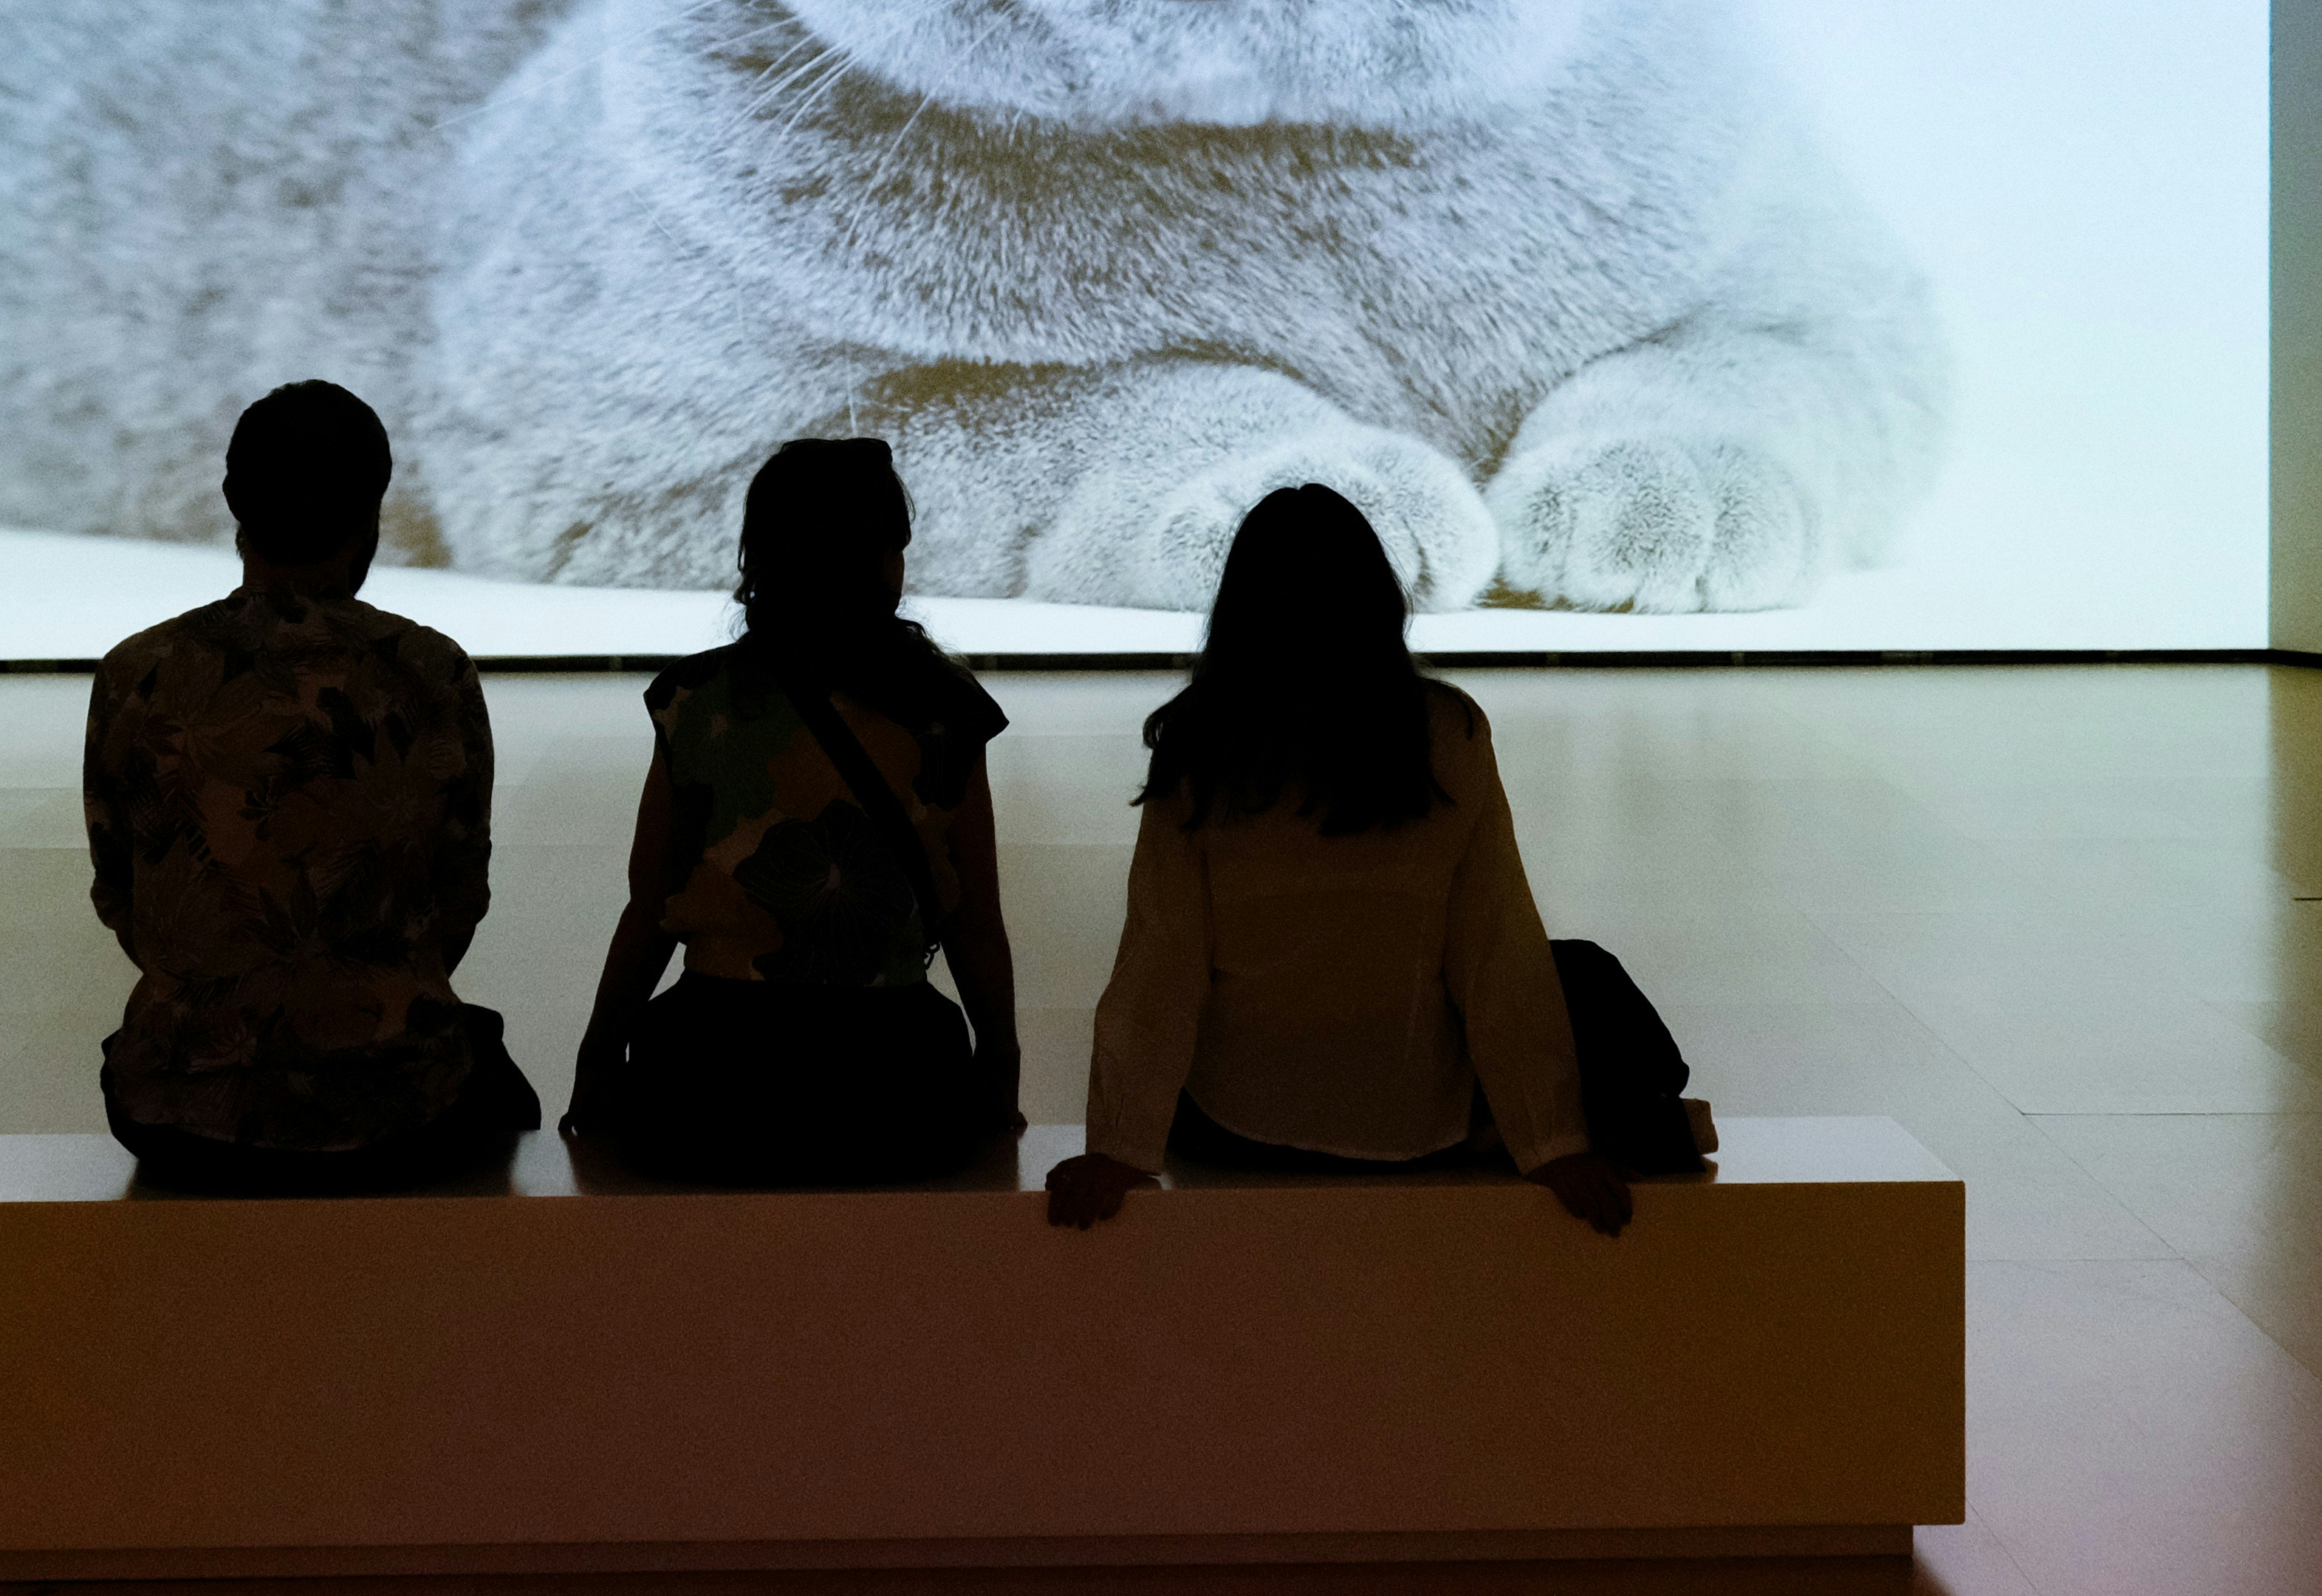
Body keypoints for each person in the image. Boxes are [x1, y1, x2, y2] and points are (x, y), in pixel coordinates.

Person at [1046, 483, 1688, 1236]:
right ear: (1377, 599)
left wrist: (1120, 1148)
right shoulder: (1448, 735)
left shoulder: (1200, 746)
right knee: (1578, 970)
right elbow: (1494, 952)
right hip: (1416, 1132)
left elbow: (1163, 959)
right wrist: (1553, 1145)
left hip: (1236, 1131)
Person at [85, 380, 543, 1191]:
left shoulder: (140, 674)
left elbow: (125, 900)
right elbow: (455, 902)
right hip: (394, 1108)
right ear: (374, 506)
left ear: (233, 500)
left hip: (186, 1108)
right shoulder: (431, 673)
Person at [564, 438, 1024, 1182]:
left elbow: (652, 905)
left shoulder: (693, 700)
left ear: (758, 561)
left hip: (708, 1077)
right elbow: (973, 922)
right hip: (895, 1081)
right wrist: (998, 1069)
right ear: (885, 564)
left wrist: (597, 1055)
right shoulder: (944, 708)